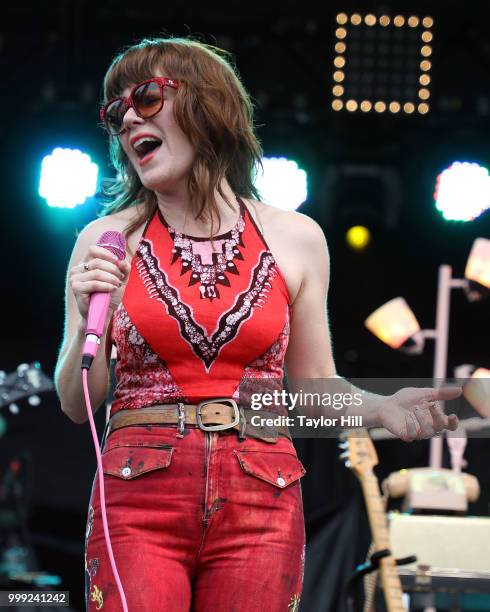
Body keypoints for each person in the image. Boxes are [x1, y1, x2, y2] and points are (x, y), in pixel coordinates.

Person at [54, 36, 460, 612]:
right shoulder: (107, 239)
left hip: (261, 488)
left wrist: (380, 407)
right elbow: (77, 403)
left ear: (206, 104)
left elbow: (314, 385)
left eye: (144, 98)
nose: (125, 118)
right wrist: (83, 315)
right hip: (138, 488)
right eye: (113, 112)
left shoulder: (297, 237)